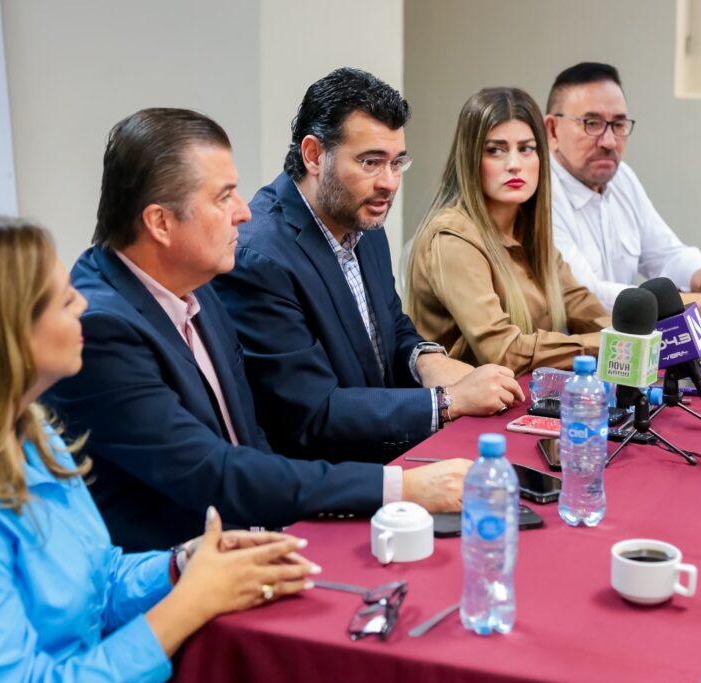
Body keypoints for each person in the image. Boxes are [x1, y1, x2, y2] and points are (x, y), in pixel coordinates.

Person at [0, 217, 317, 682]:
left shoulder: (32, 433)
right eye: (62, 299)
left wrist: (180, 566)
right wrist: (190, 603)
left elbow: (99, 580)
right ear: (4, 333)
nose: (82, 302)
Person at [43, 108, 470, 552]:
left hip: (261, 535)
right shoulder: (101, 330)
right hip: (175, 580)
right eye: (223, 196)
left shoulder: (198, 285)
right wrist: (400, 486)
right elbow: (214, 472)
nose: (244, 213)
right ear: (160, 222)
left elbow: (250, 439)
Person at [213, 68, 525, 463]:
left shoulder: (361, 219)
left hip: (384, 453)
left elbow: (391, 326)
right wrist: (448, 401)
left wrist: (426, 360)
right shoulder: (261, 256)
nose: (389, 183)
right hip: (321, 484)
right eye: (371, 162)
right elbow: (311, 415)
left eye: (397, 163)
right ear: (313, 155)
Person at [405, 87, 610, 374]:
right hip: (464, 414)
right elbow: (504, 353)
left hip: (522, 403)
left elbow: (580, 304)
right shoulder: (453, 238)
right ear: (470, 159)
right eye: (495, 150)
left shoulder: (529, 231)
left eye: (526, 149)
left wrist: (628, 335)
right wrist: (607, 345)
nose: (514, 165)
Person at [544, 62, 701, 324]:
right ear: (552, 130)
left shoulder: (621, 177)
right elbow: (585, 295)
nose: (608, 141)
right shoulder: (540, 193)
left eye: (618, 125)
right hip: (570, 354)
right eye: (591, 123)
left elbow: (666, 255)